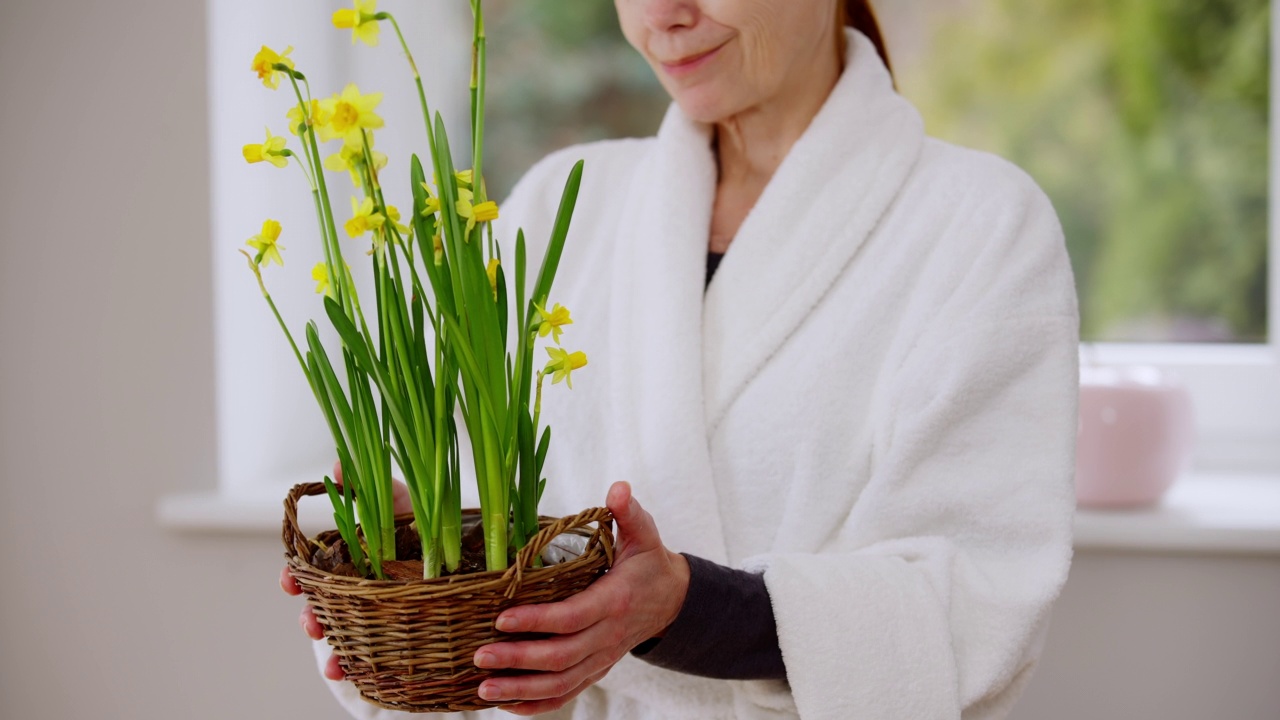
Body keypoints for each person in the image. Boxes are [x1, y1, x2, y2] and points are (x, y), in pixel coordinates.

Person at [282, 0, 1080, 717]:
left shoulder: (979, 227)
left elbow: (974, 603)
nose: (660, 15)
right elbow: (476, 537)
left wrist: (684, 611)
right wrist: (417, 552)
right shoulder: (566, 200)